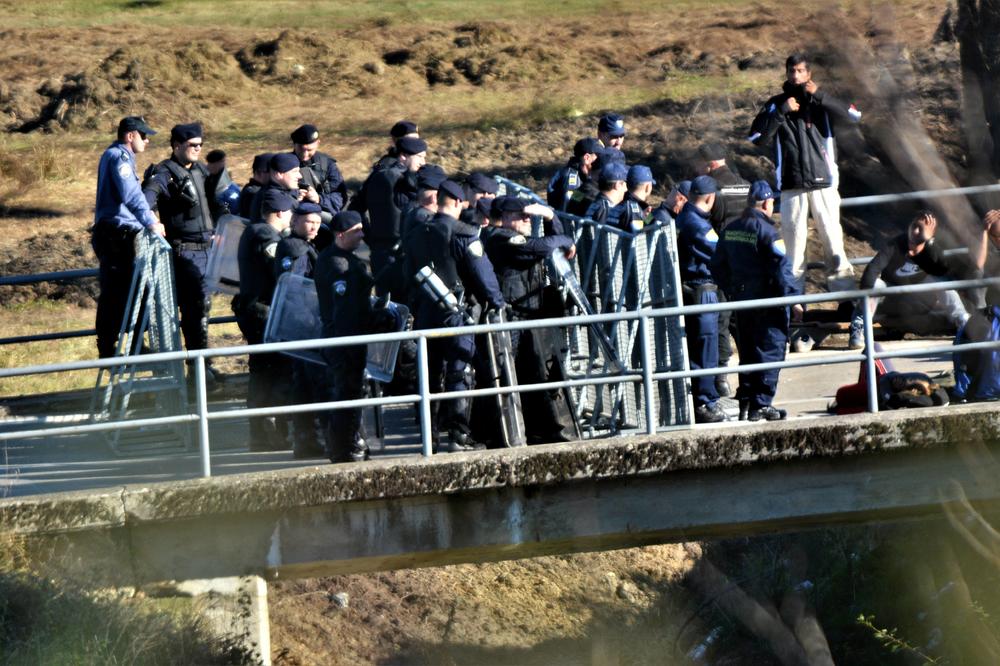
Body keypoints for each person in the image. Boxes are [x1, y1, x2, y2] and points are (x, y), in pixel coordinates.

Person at [749, 53, 861, 292]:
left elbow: (855, 116)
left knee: (834, 245)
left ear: (809, 73)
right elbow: (756, 137)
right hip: (792, 185)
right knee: (794, 251)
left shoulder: (822, 101)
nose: (796, 75)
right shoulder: (776, 102)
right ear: (787, 73)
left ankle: (847, 301)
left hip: (825, 184)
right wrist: (781, 112)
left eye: (801, 71)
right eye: (792, 71)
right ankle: (795, 304)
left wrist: (820, 96)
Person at [410, 180, 505, 451]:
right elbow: (483, 274)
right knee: (459, 372)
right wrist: (497, 302)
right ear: (455, 202)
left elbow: (408, 275)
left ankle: (429, 438)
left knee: (429, 375)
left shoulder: (417, 232)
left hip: (426, 314)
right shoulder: (463, 233)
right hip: (458, 314)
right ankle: (458, 436)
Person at [483, 197, 577, 443]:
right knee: (507, 376)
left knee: (532, 376)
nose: (527, 219)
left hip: (528, 318)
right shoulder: (501, 238)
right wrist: (563, 235)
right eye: (520, 215)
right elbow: (544, 247)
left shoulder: (515, 237)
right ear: (504, 218)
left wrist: (550, 217)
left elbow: (551, 246)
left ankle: (541, 431)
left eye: (529, 216)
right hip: (511, 319)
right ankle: (498, 434)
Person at [711, 181, 802, 421]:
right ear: (767, 203)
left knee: (748, 352)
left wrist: (732, 290)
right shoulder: (769, 232)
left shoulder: (731, 228)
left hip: (742, 301)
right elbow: (781, 268)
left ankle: (746, 402)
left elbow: (717, 265)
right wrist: (794, 300)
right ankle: (761, 404)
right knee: (770, 350)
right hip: (768, 302)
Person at [142, 122, 224, 381]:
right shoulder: (165, 173)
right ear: (176, 146)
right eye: (192, 145)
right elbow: (147, 198)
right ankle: (198, 370)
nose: (197, 149)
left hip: (209, 249)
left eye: (200, 145)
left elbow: (219, 201)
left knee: (203, 310)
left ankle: (203, 366)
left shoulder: (201, 170)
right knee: (194, 309)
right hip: (185, 251)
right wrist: (153, 221)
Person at [91, 116, 165, 359]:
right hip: (115, 235)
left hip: (121, 234)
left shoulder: (120, 156)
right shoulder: (119, 157)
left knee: (133, 289)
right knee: (115, 291)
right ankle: (108, 347)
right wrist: (151, 221)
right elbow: (131, 195)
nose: (147, 141)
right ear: (130, 135)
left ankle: (133, 341)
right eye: (144, 136)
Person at [313, 211, 383, 463]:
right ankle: (345, 447)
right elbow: (344, 310)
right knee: (345, 393)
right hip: (343, 339)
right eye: (357, 231)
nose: (362, 235)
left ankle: (351, 442)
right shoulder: (336, 264)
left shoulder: (348, 260)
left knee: (353, 392)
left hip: (352, 337)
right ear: (341, 234)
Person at [848, 211, 971, 349]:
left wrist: (926, 247)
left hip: (918, 302)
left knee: (941, 281)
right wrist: (863, 296)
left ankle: (964, 323)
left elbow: (943, 272)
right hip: (891, 299)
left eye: (921, 229)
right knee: (876, 284)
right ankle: (859, 327)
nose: (916, 231)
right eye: (914, 226)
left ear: (931, 234)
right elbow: (871, 271)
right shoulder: (895, 244)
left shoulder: (933, 250)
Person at [234, 188, 295, 451]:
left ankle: (261, 434)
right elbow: (280, 269)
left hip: (256, 310)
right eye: (290, 212)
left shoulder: (255, 231)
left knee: (263, 372)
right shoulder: (264, 235)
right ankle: (268, 431)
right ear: (280, 212)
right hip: (263, 313)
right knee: (273, 371)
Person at [675, 175, 726, 423]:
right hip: (701, 288)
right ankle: (705, 402)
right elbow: (718, 254)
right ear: (710, 197)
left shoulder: (686, 215)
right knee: (706, 345)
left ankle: (706, 398)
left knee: (702, 345)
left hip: (695, 288)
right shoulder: (697, 224)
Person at [365, 136, 428, 296]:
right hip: (397, 252)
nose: (423, 162)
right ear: (403, 156)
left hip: (380, 251)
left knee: (386, 305)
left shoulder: (378, 174)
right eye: (419, 157)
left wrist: (371, 238)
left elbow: (356, 207)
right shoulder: (399, 178)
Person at [289, 123, 348, 221]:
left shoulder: (327, 164)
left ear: (318, 143)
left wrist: (319, 199)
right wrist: (294, 196)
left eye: (309, 150)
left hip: (322, 216)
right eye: (300, 149)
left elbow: (340, 197)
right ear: (294, 145)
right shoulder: (284, 164)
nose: (304, 155)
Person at [548, 137, 602, 214]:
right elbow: (567, 211)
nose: (602, 159)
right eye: (599, 156)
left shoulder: (583, 175)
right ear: (587, 158)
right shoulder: (571, 179)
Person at [618, 165, 655, 233]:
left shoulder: (619, 201)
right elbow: (637, 236)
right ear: (647, 187)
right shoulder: (635, 209)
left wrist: (647, 218)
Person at [205, 149, 241, 217]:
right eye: (209, 163)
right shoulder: (208, 177)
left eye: (212, 163)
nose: (208, 166)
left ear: (221, 162)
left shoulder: (230, 192)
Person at [238, 153, 272, 219]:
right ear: (258, 173)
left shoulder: (252, 188)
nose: (274, 174)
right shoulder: (253, 193)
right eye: (270, 171)